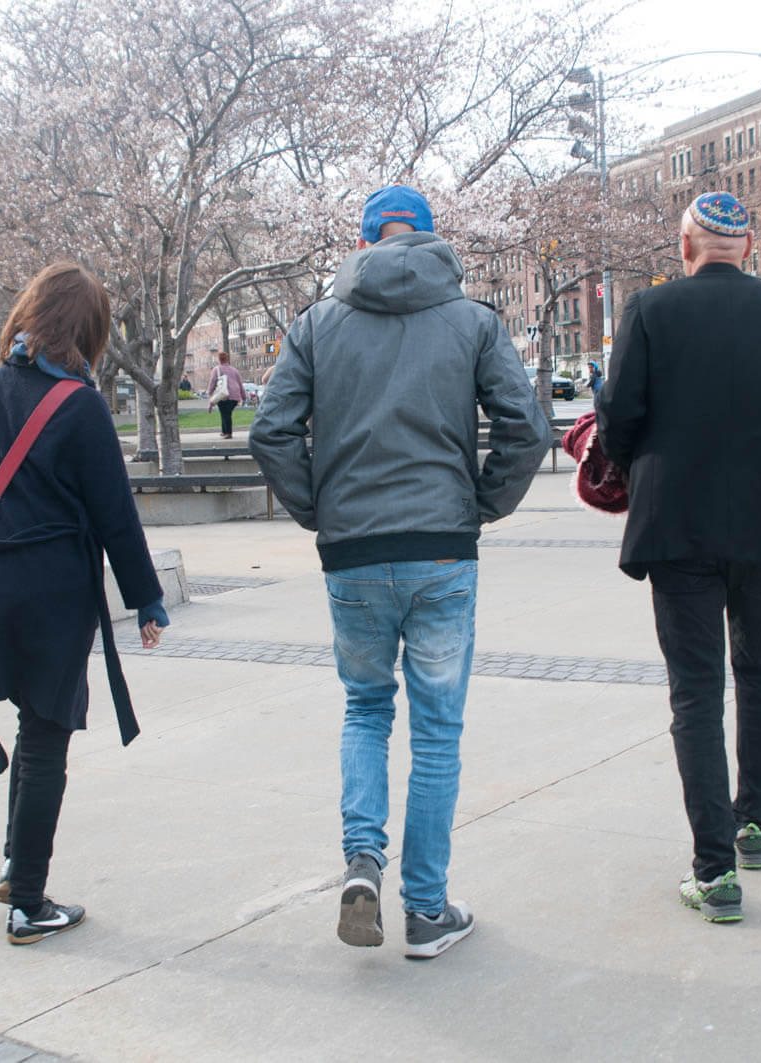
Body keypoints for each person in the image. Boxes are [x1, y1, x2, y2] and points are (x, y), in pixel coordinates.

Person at [250, 185, 548, 959]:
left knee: (366, 709)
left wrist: (319, 508)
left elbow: (271, 430)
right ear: (430, 239)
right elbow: (526, 426)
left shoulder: (317, 323)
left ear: (363, 242)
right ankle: (426, 909)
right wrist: (482, 503)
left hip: (353, 551)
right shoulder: (475, 321)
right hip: (443, 546)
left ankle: (362, 859)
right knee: (438, 732)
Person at [596, 192, 761, 924]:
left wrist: (634, 466)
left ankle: (714, 870)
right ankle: (753, 822)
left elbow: (619, 416)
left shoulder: (649, 310)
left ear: (686, 246)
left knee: (697, 692)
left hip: (677, 527)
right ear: (750, 248)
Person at [0, 262, 170, 946]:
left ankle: (17, 864)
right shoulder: (82, 405)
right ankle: (28, 902)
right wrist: (147, 599)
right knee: (45, 738)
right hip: (50, 596)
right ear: (89, 332)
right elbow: (114, 515)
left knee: (32, 731)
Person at [207, 350, 243, 438]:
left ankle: (228, 433)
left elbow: (212, 382)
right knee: (225, 412)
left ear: (219, 359)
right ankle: (224, 431)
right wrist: (243, 397)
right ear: (227, 359)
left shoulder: (217, 369)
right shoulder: (234, 370)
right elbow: (240, 384)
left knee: (225, 413)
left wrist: (210, 393)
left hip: (223, 394)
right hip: (235, 395)